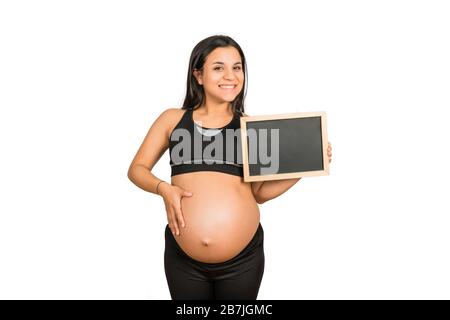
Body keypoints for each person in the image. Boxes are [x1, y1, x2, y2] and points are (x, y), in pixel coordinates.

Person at [127, 35, 333, 300]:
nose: (230, 75)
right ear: (198, 75)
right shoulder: (172, 120)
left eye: (237, 67)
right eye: (218, 67)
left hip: (243, 260)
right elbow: (137, 168)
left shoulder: (251, 127)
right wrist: (164, 189)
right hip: (184, 260)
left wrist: (305, 164)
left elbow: (260, 193)